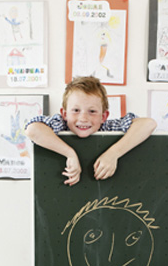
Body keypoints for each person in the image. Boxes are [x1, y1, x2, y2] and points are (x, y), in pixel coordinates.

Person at [25, 76, 156, 186]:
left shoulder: (109, 128)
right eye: (76, 110)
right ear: (64, 114)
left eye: (92, 111)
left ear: (103, 117)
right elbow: (32, 130)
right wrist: (69, 153)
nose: (83, 118)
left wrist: (113, 154)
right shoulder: (59, 125)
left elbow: (148, 124)